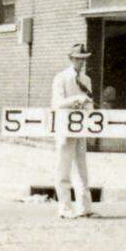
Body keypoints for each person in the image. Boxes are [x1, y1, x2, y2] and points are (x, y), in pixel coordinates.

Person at [52, 43, 95, 219]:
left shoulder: (86, 80)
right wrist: (75, 100)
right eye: (78, 59)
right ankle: (64, 208)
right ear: (71, 59)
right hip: (65, 127)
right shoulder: (61, 78)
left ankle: (84, 207)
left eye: (83, 59)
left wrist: (89, 114)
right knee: (63, 168)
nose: (81, 63)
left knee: (81, 168)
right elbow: (57, 103)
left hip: (81, 128)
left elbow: (90, 104)